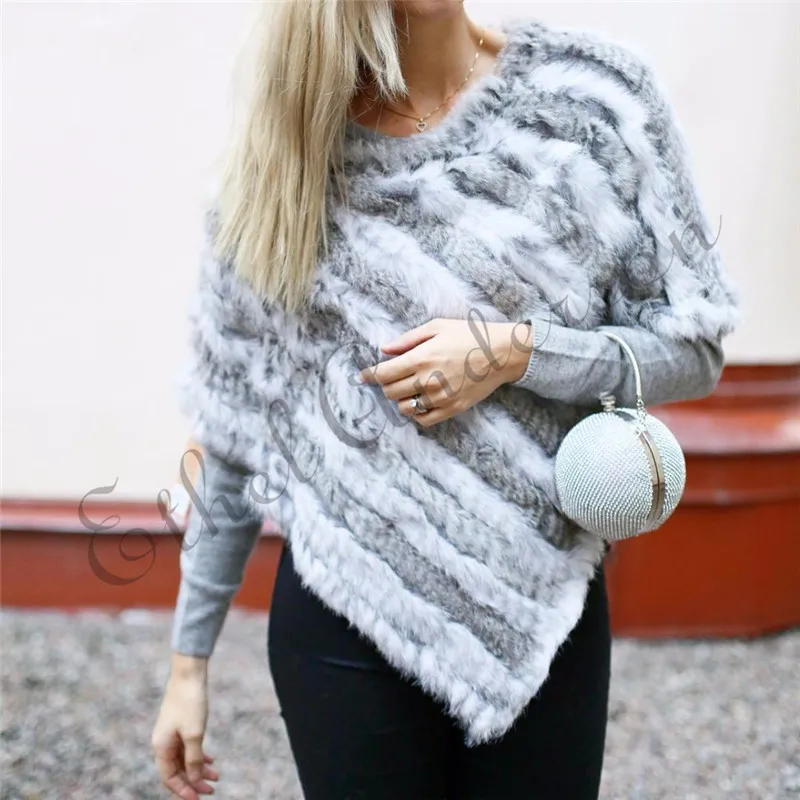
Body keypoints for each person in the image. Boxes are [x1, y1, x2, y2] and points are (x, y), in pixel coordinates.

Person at [151, 2, 741, 798]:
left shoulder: (593, 102)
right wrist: (188, 666)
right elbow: (230, 433)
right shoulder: (287, 158)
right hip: (344, 620)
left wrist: (515, 352)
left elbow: (694, 352)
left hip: (540, 605)